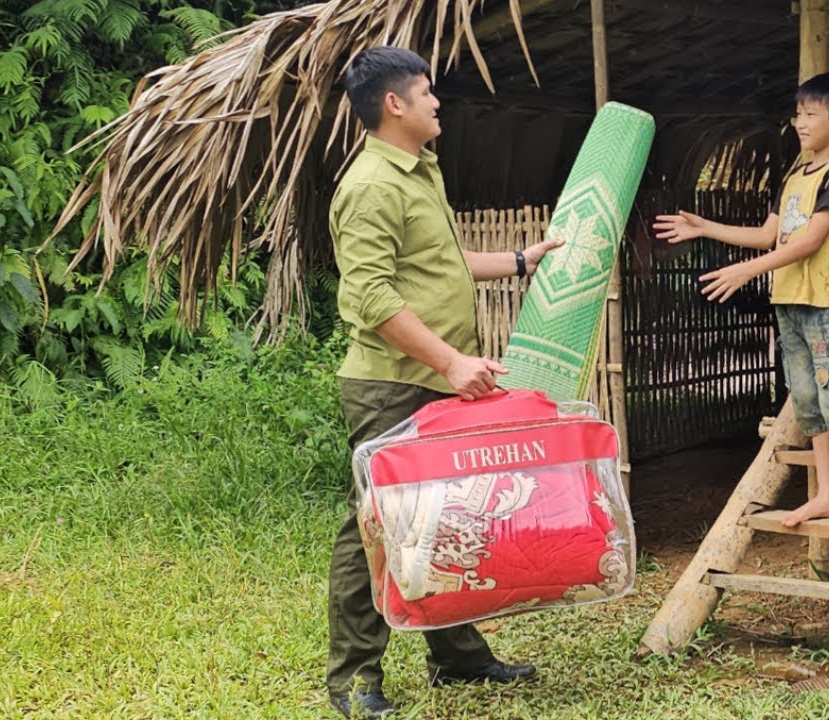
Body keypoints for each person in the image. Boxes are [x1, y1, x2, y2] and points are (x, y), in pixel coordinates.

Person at [327, 46, 561, 719]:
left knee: (445, 522)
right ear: (393, 104)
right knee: (374, 530)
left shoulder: (418, 169)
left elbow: (441, 260)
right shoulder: (371, 184)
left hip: (432, 381)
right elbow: (370, 295)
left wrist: (521, 260)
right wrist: (452, 364)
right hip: (392, 384)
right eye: (426, 92)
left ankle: (456, 658)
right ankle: (353, 682)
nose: (437, 102)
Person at [654, 72, 829, 538]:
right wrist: (705, 227)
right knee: (807, 400)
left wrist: (748, 270)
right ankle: (827, 493)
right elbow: (770, 235)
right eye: (798, 113)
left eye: (811, 114)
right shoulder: (793, 175)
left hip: (822, 302)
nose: (800, 122)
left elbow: (812, 240)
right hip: (788, 300)